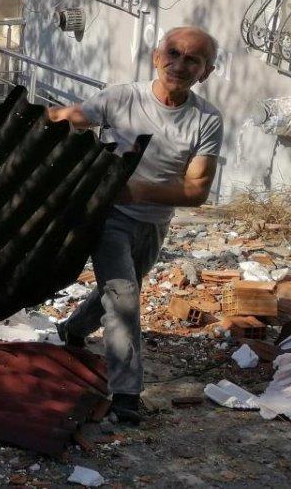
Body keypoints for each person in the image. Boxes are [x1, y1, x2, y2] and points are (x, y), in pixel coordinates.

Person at [48, 26, 224, 424]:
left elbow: (196, 190)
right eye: (173, 53)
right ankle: (126, 394)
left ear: (206, 72)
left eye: (192, 59)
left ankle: (73, 328)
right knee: (124, 296)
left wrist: (133, 189)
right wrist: (11, 122)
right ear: (156, 56)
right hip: (109, 219)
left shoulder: (206, 120)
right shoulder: (121, 97)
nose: (179, 64)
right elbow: (69, 117)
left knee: (121, 290)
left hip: (153, 224)